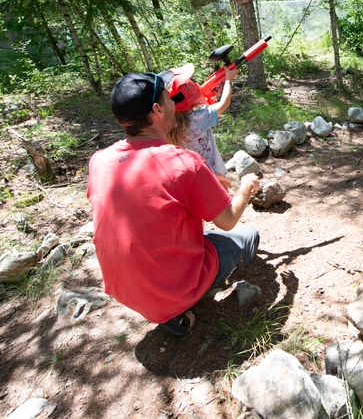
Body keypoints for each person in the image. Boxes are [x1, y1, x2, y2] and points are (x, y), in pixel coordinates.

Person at [86, 67, 261, 336]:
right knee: (248, 235)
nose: (173, 102)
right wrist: (246, 188)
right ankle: (181, 302)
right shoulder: (184, 161)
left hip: (123, 289)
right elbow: (228, 221)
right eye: (169, 97)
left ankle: (166, 301)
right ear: (157, 110)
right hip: (171, 291)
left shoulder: (100, 160)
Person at [167, 63, 236, 192]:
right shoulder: (197, 118)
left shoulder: (168, 126)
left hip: (194, 179)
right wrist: (228, 79)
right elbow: (225, 102)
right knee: (223, 208)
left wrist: (210, 96)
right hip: (216, 175)